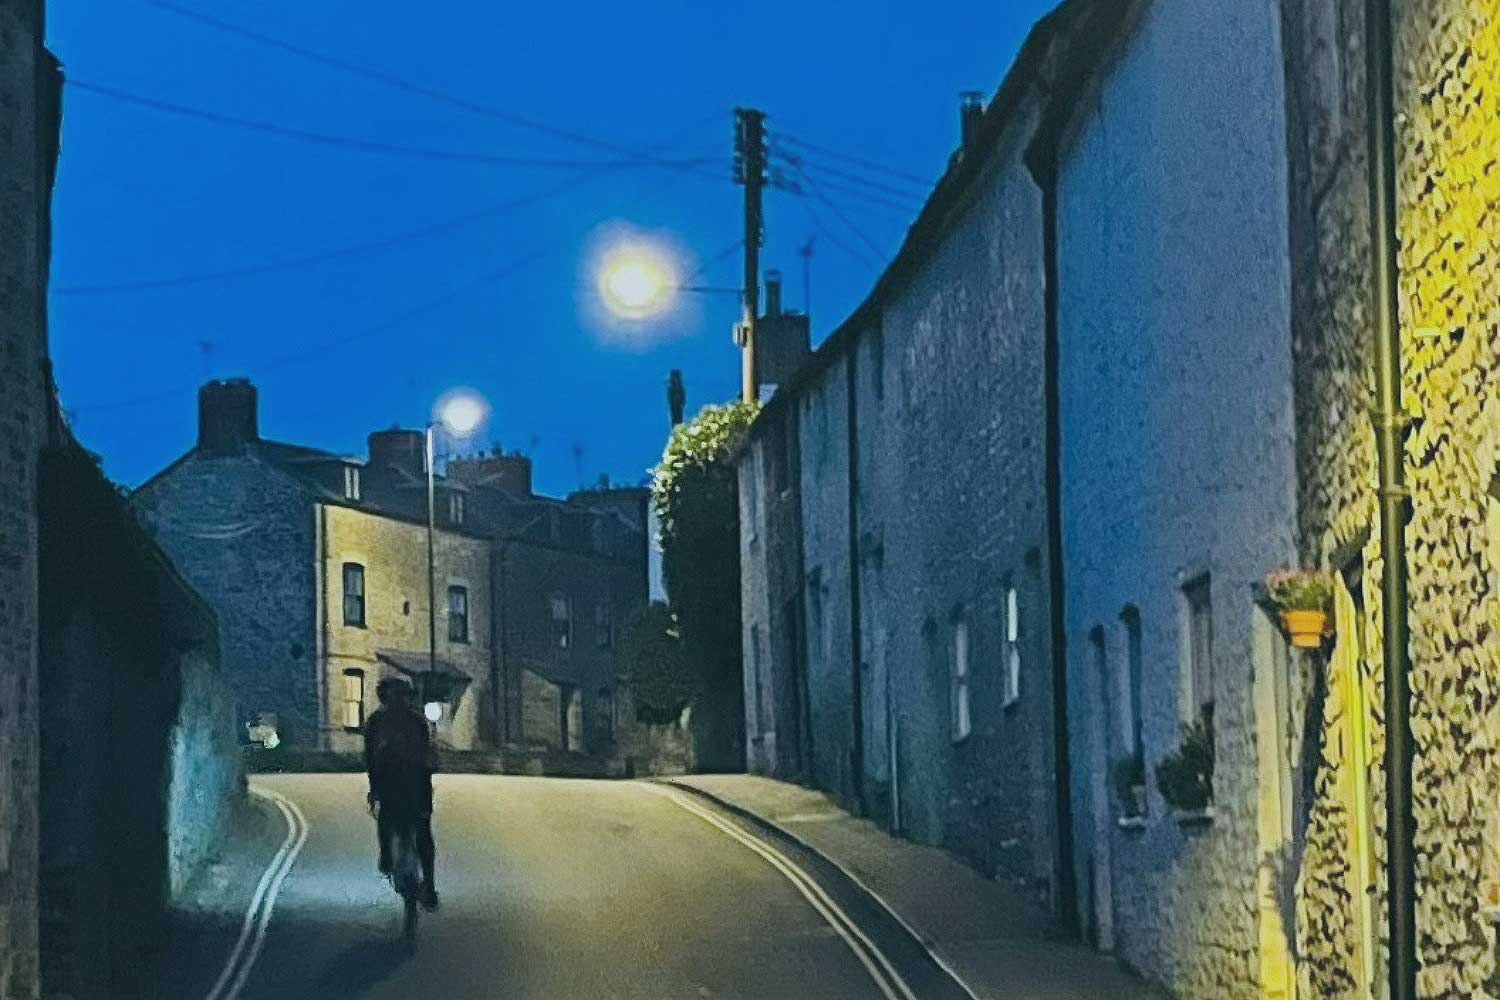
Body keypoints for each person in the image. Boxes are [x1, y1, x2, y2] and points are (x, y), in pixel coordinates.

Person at [364, 677, 439, 910]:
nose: (398, 700)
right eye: (394, 695)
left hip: (411, 784)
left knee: (420, 831)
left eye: (401, 695)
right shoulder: (380, 722)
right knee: (392, 821)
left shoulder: (411, 722)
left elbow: (426, 756)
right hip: (398, 784)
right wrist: (374, 789)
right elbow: (371, 760)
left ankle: (428, 882)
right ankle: (390, 857)